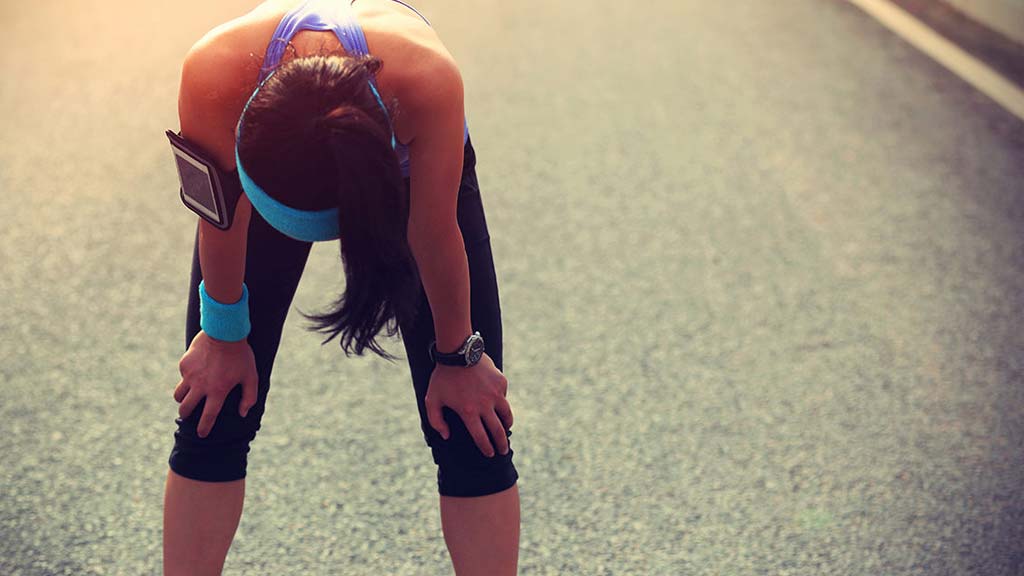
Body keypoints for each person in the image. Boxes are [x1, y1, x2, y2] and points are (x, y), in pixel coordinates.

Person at [163, 1, 520, 574]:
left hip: (397, 158)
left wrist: (460, 357)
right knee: (213, 405)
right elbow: (220, 215)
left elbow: (433, 233)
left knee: (475, 425)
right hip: (272, 135)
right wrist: (223, 335)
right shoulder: (214, 72)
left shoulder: (425, 85)